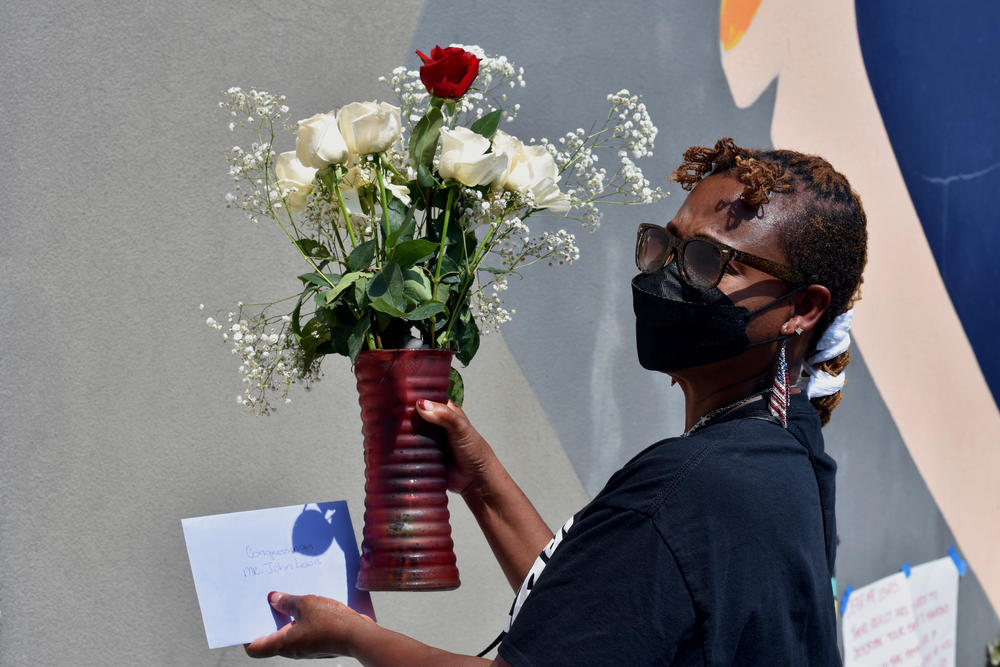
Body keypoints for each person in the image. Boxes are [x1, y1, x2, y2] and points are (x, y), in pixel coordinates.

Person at [244, 138, 868, 665]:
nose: (669, 274)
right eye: (665, 245)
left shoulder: (694, 486)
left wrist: (352, 634)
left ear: (803, 309)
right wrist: (483, 482)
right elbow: (605, 611)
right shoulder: (789, 454)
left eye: (709, 261)